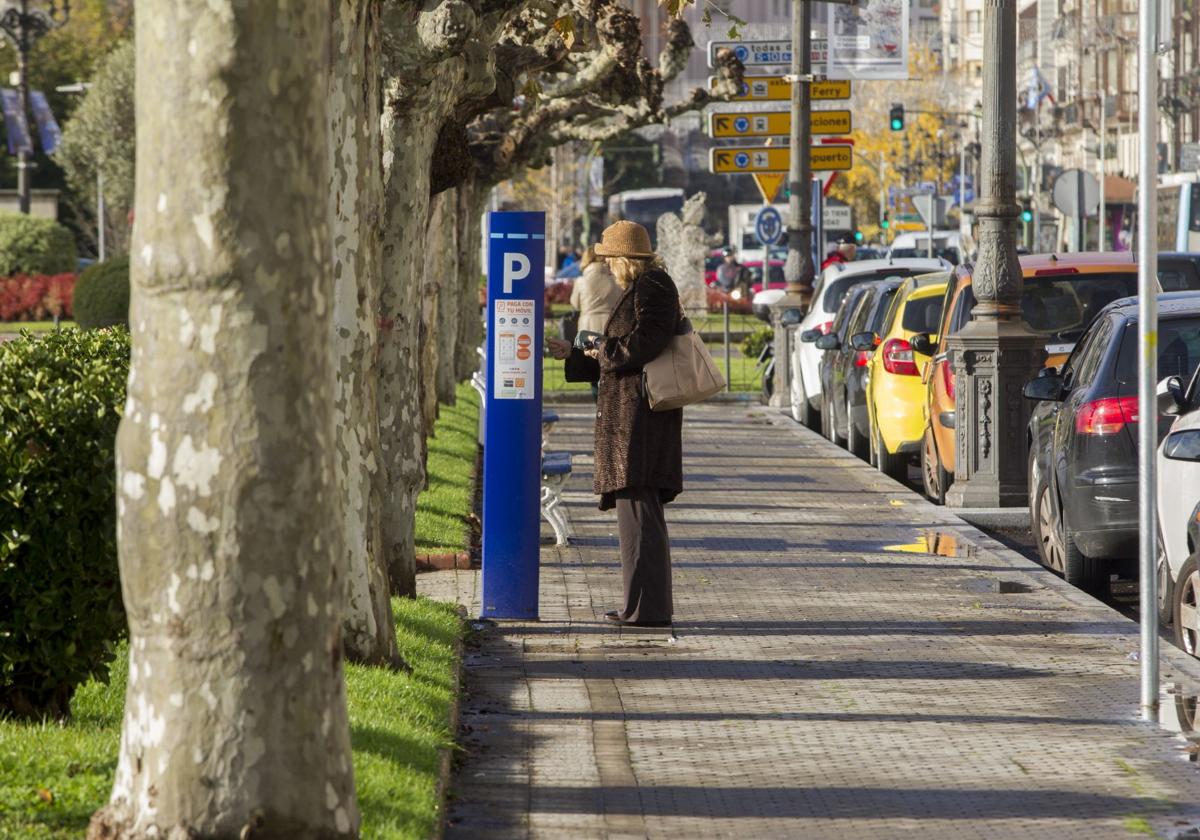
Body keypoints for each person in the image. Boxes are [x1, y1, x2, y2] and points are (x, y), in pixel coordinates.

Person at [547, 220, 682, 628]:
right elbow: (621, 353)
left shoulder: (653, 287)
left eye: (608, 261)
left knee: (640, 516)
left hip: (641, 421)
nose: (606, 268)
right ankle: (638, 605)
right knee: (634, 516)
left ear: (625, 259)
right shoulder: (640, 288)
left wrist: (594, 346)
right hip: (631, 419)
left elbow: (640, 347)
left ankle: (647, 610)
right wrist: (574, 352)